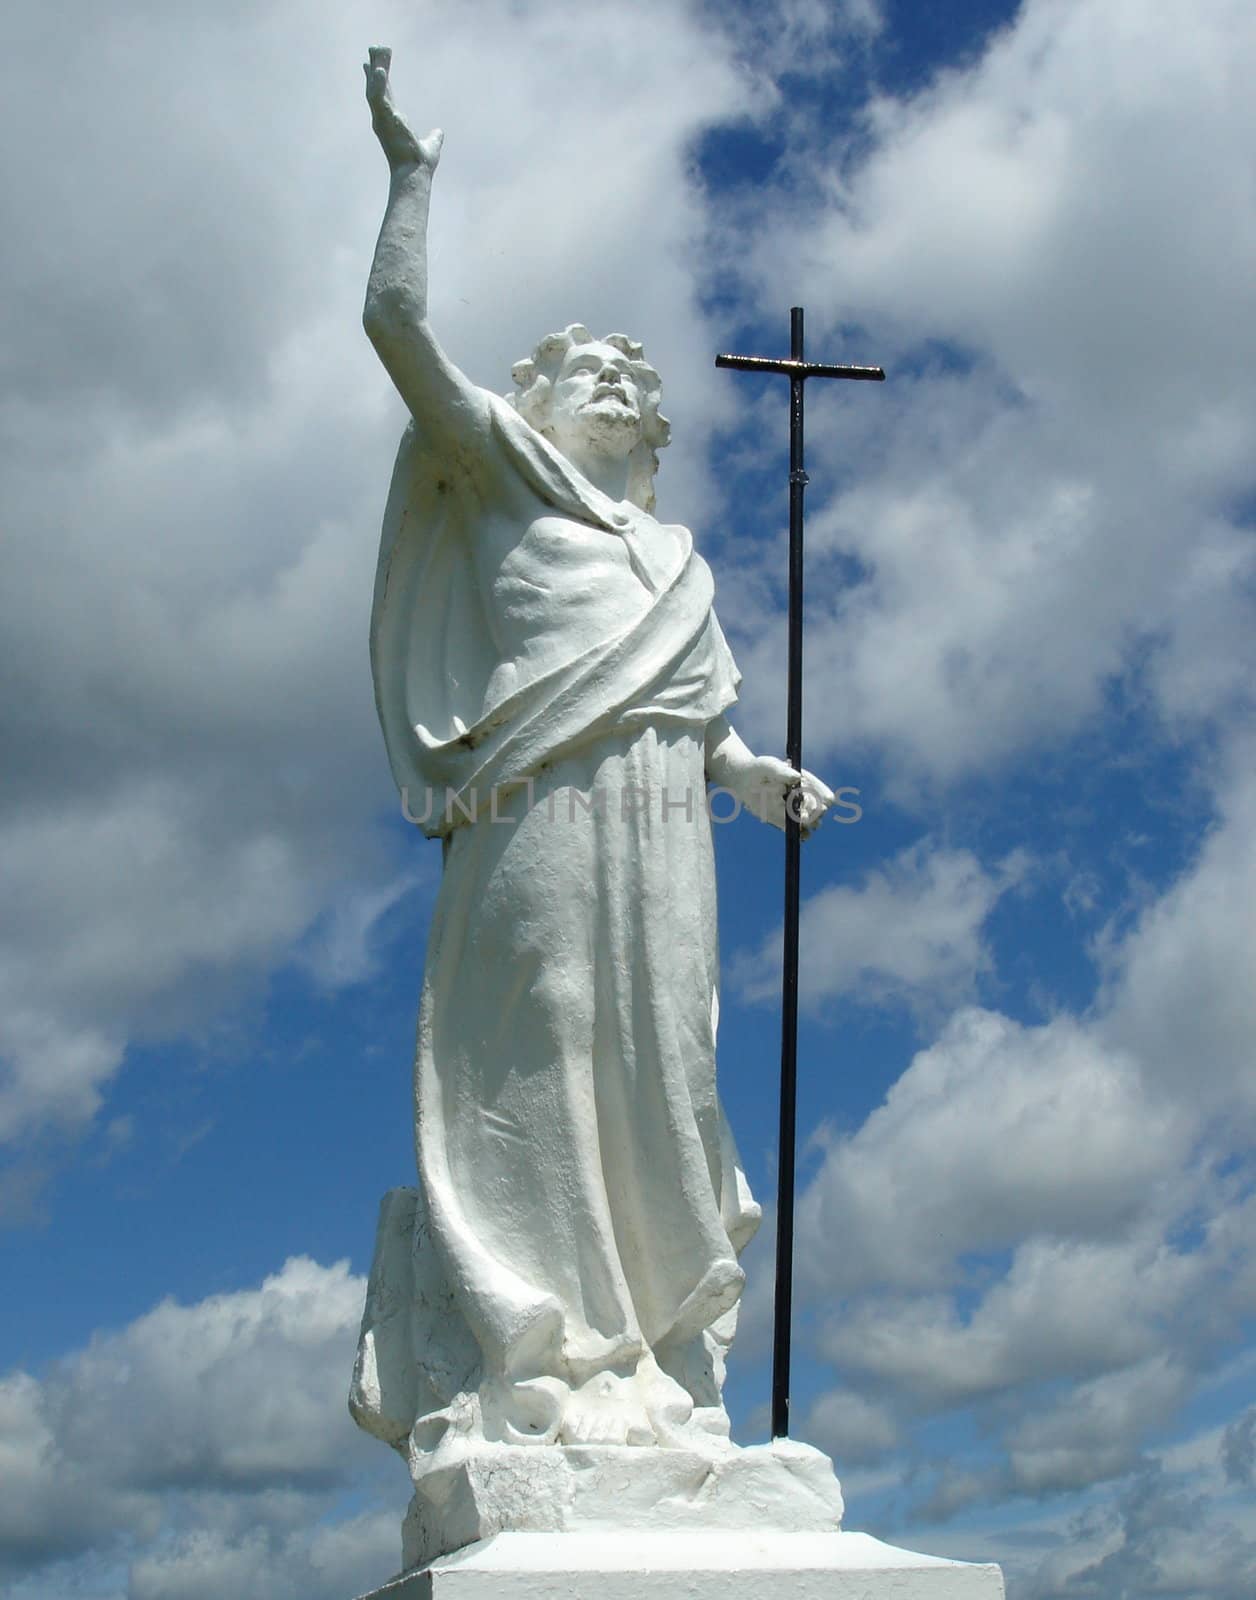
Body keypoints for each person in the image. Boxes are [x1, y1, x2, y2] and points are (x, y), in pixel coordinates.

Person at [356, 48, 835, 1459]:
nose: (619, 383)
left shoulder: (676, 556)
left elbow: (694, 707)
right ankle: (544, 1349)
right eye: (592, 370)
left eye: (636, 376)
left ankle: (662, 1358)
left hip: (661, 820)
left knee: (665, 1054)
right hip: (543, 800)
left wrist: (748, 772)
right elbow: (391, 321)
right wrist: (412, 175)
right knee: (549, 1032)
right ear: (539, 397)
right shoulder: (498, 466)